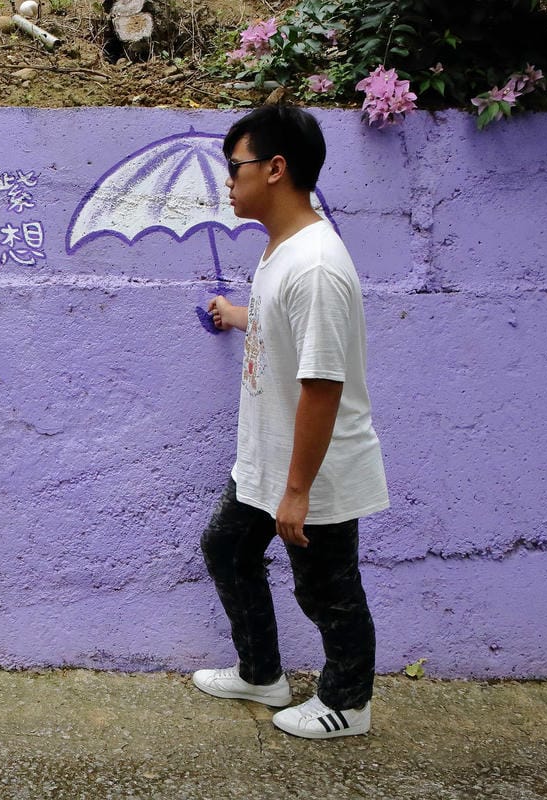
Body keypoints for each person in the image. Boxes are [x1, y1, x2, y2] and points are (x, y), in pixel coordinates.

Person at [193, 105, 389, 739]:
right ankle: (261, 674)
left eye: (236, 167)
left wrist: (299, 490)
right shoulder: (284, 249)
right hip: (268, 459)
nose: (229, 181)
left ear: (275, 169)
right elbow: (287, 327)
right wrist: (239, 315)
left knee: (327, 590)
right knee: (227, 549)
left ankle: (348, 703)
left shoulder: (316, 265)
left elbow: (324, 386)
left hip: (312, 470)